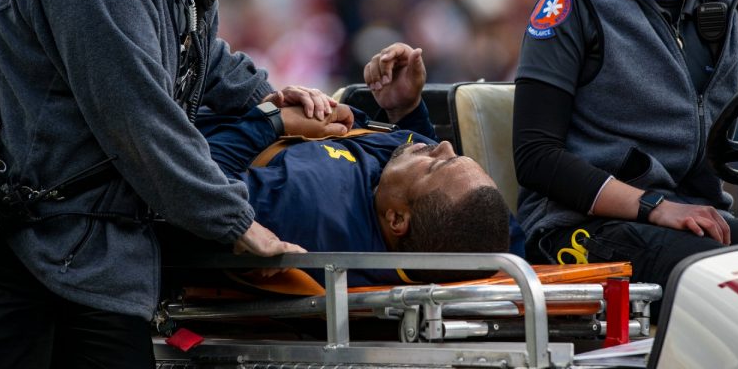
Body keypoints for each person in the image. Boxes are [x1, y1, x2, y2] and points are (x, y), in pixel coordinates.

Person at [0, 0, 343, 368]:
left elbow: (187, 50)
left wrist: (264, 97)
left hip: (87, 254)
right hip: (37, 256)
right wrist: (235, 221)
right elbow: (136, 113)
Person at [513, 0, 738, 315]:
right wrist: (654, 206)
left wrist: (675, 211)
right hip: (583, 230)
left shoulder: (735, 6)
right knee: (725, 284)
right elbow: (536, 156)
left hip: (698, 220)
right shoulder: (575, 0)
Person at [188, 42, 511, 287]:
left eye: (437, 165)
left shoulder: (306, 211)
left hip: (176, 118)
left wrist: (273, 121)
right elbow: (449, 212)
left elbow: (193, 179)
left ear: (397, 219)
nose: (443, 145)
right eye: (455, 156)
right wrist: (406, 109)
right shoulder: (421, 209)